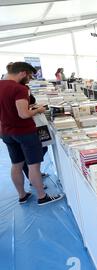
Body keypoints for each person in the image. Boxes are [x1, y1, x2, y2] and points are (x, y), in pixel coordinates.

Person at [0, 62, 63, 205]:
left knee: (16, 164)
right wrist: (38, 110)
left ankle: (22, 195)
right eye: (29, 75)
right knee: (33, 165)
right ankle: (42, 196)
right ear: (22, 72)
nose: (29, 78)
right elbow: (23, 114)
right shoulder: (19, 88)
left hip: (6, 132)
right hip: (24, 132)